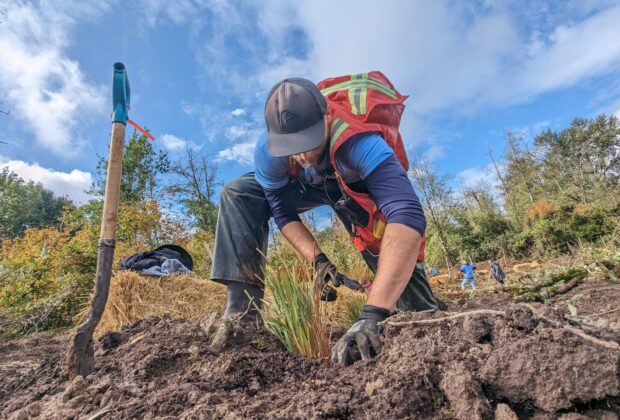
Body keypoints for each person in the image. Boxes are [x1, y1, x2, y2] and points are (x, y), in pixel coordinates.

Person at [209, 72, 438, 366]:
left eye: (309, 140)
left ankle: (411, 304)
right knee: (238, 193)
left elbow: (406, 214)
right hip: (301, 186)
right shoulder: (270, 151)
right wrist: (318, 260)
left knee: (419, 315)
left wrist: (371, 314)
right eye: (292, 146)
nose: (302, 154)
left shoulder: (361, 143)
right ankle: (242, 318)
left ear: (327, 116)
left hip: (350, 182)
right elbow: (284, 213)